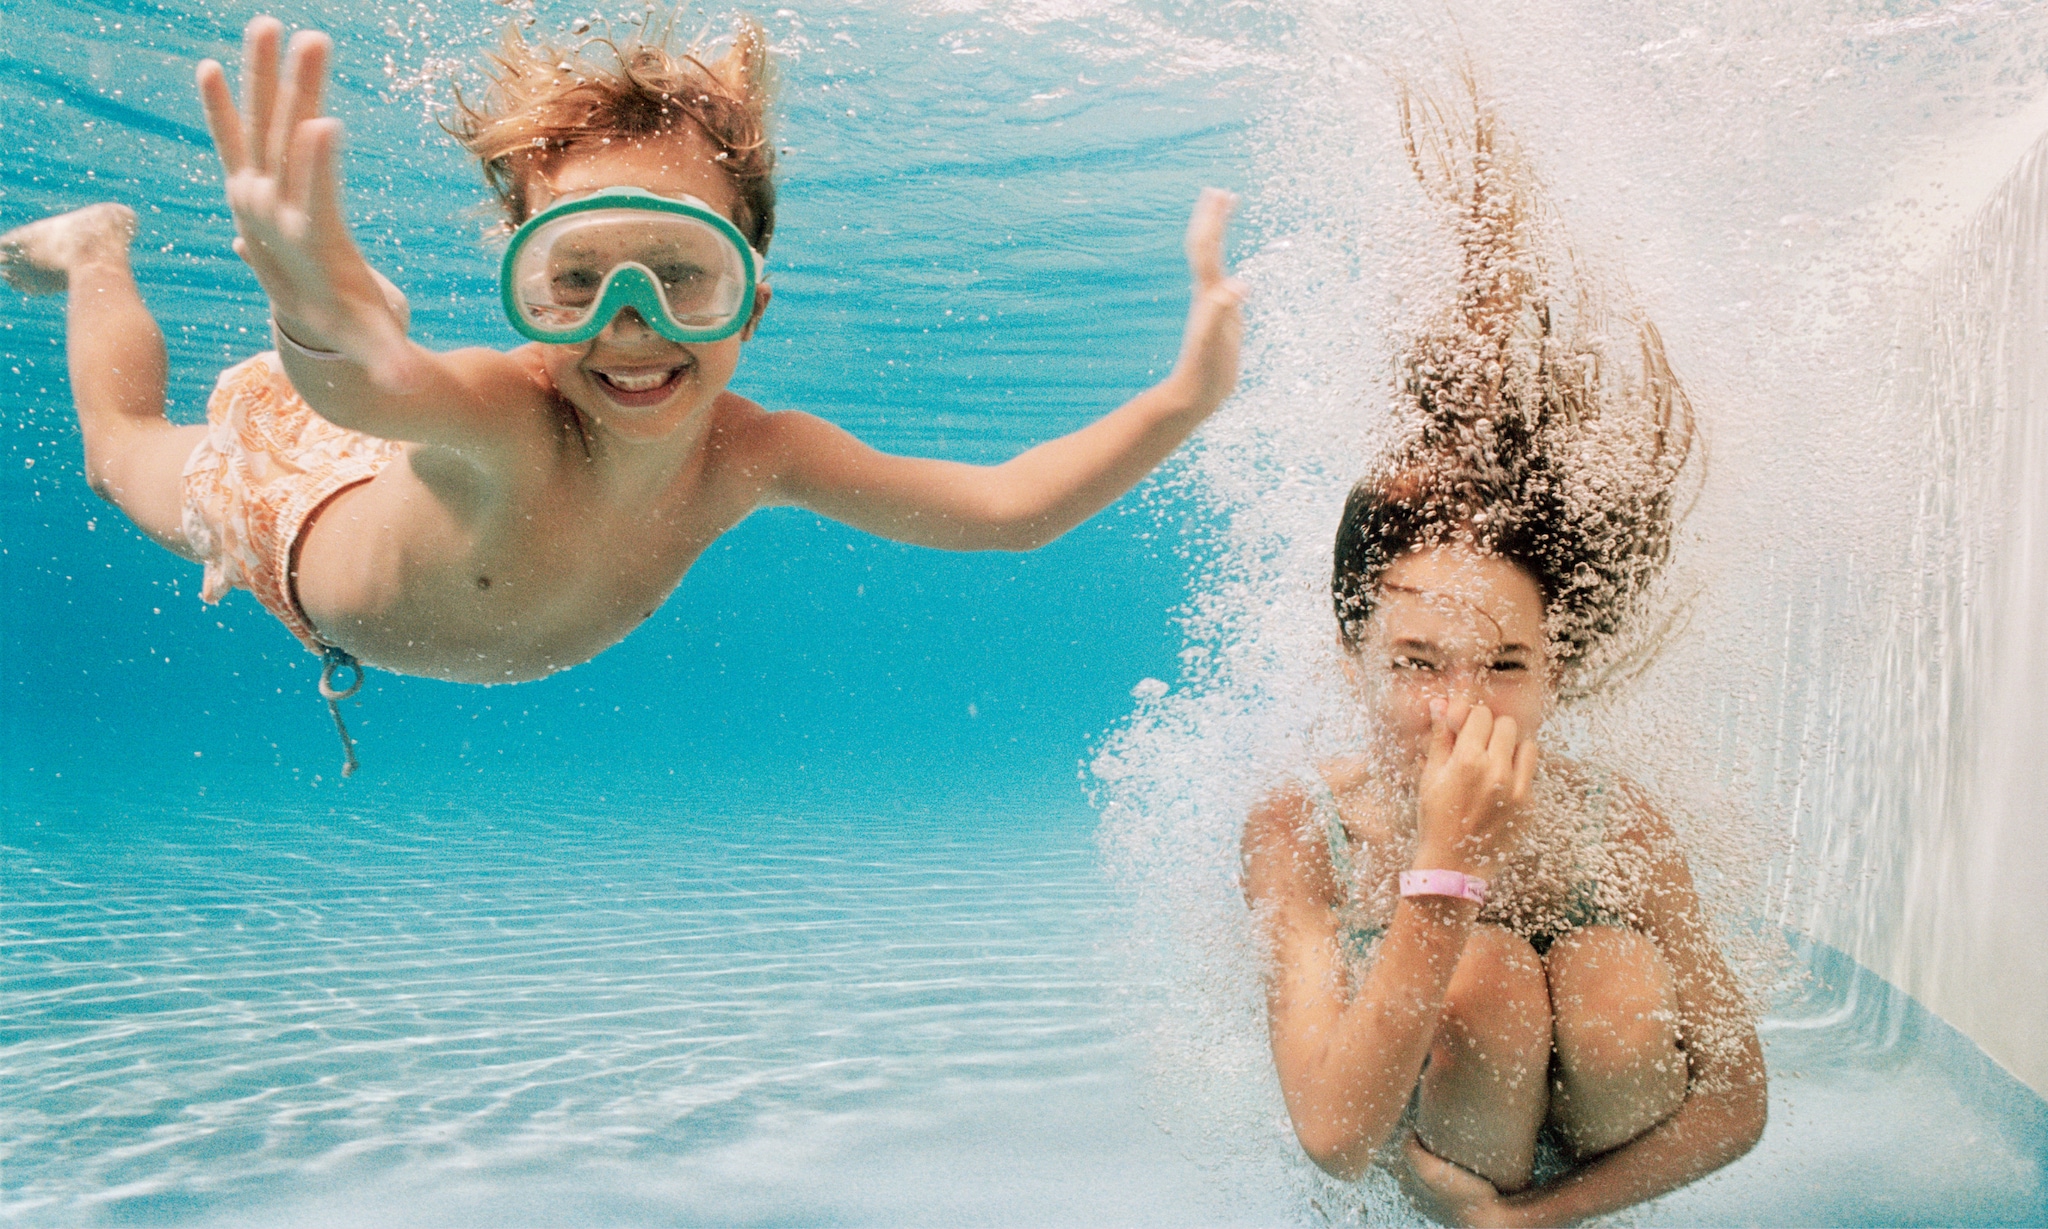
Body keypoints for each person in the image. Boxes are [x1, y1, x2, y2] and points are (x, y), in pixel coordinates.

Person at [0, 13, 1242, 707]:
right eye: (577, 278)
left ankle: (331, 308)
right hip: (293, 506)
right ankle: (97, 252)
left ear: (752, 303)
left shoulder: (755, 454)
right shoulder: (505, 410)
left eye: (680, 275)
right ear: (526, 293)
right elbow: (371, 388)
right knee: (117, 452)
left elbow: (1009, 508)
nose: (630, 323)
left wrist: (1185, 396)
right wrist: (317, 316)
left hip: (386, 446)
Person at [1238, 79, 1764, 1227]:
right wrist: (1444, 867)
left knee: (1612, 975)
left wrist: (1529, 1220)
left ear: (1558, 663)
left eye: (1505, 664)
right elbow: (1331, 1135)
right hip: (1407, 1175)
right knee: (1483, 974)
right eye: (1415, 661)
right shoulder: (1300, 830)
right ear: (1349, 654)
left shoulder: (1617, 829)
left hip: (1545, 1198)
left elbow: (1735, 1100)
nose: (1459, 711)